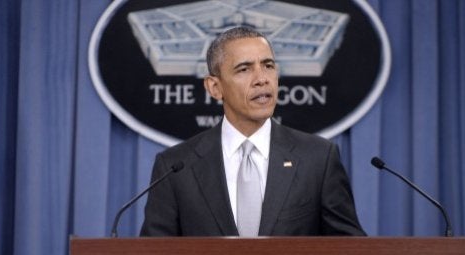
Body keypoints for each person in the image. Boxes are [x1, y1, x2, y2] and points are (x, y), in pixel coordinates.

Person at [140, 26, 365, 237]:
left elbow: (350, 251)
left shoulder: (318, 158)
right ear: (215, 87)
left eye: (268, 65)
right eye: (244, 69)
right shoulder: (176, 166)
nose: (261, 79)